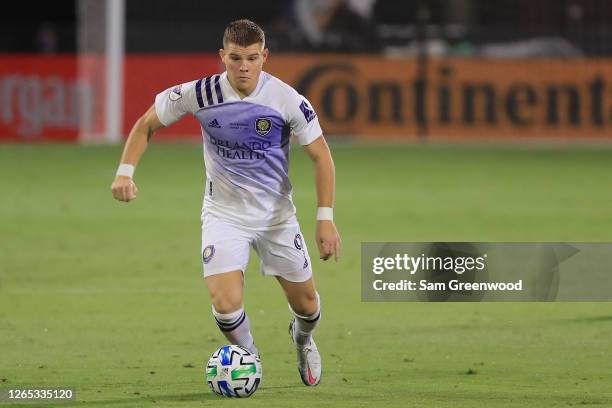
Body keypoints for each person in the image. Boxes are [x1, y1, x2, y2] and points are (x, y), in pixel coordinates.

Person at [110, 19, 341, 387]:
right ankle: (250, 358)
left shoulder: (287, 99)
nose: (244, 66)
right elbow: (146, 124)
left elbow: (321, 155)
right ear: (223, 57)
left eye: (252, 58)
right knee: (225, 303)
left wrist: (325, 218)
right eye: (236, 58)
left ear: (264, 57)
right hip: (224, 215)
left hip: (276, 218)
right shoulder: (199, 93)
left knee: (308, 307)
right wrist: (125, 172)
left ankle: (303, 340)